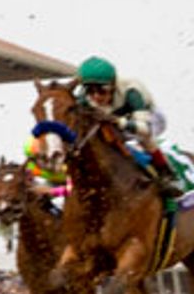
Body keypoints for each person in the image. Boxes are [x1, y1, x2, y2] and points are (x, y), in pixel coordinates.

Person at [75, 56, 187, 195]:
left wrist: (118, 122)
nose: (96, 96)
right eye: (90, 91)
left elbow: (144, 130)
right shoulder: (83, 99)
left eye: (102, 91)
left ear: (113, 85)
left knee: (143, 138)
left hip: (149, 118)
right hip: (116, 117)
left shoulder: (131, 92)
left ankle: (167, 175)